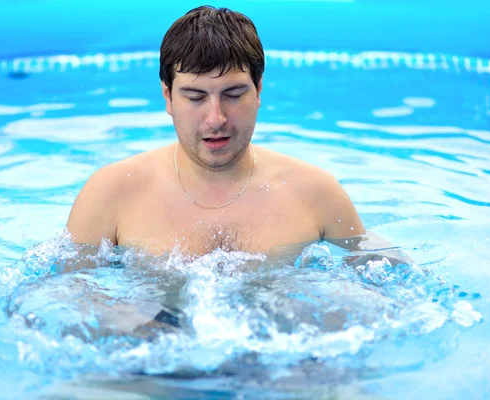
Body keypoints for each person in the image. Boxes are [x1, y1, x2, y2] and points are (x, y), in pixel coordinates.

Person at [66, 5, 368, 258]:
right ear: (168, 97)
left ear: (259, 90)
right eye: (195, 97)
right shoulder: (111, 194)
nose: (216, 118)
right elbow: (66, 301)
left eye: (234, 95)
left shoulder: (317, 195)